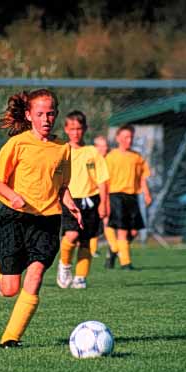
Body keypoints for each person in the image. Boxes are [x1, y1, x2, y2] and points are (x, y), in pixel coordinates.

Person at [0, 89, 82, 349]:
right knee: (11, 287)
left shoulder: (63, 148)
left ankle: (10, 338)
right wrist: (13, 196)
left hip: (47, 221)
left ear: (56, 114)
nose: (46, 118)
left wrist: (69, 202)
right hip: (14, 218)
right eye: (40, 114)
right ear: (29, 115)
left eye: (50, 113)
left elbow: (62, 185)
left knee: (35, 275)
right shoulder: (17, 143)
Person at [57, 111, 109, 289]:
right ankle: (64, 265)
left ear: (85, 129)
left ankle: (80, 277)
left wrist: (104, 203)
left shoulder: (92, 152)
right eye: (72, 129)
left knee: (86, 240)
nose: (76, 132)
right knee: (71, 235)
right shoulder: (62, 150)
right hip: (69, 200)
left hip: (91, 200)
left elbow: (102, 179)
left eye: (79, 128)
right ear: (66, 129)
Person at [104, 124, 152, 270]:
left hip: (133, 196)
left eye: (130, 137)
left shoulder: (137, 157)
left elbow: (142, 177)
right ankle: (126, 263)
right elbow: (105, 181)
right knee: (123, 230)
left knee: (134, 231)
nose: (128, 140)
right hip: (116, 196)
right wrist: (104, 200)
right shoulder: (111, 157)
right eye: (125, 137)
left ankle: (113, 251)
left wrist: (147, 193)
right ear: (118, 138)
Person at [90, 135, 110, 257]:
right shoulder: (92, 160)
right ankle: (92, 249)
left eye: (105, 145)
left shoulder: (110, 159)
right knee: (95, 222)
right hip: (95, 195)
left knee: (108, 222)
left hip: (110, 194)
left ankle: (113, 248)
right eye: (101, 146)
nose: (104, 148)